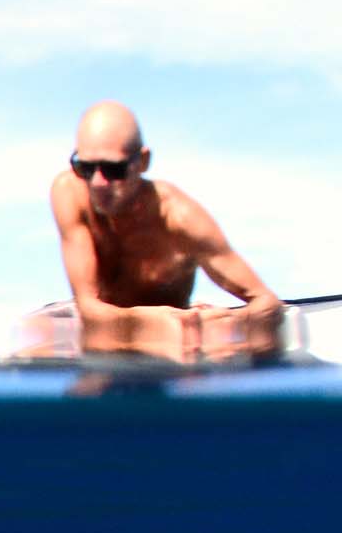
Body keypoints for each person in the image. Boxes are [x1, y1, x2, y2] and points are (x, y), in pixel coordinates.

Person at [49, 101, 280, 359]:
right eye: (85, 167)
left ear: (143, 161)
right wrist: (154, 320)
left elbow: (267, 303)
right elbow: (89, 310)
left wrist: (225, 323)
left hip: (170, 355)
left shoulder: (181, 219)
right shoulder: (69, 193)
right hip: (107, 341)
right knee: (33, 334)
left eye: (114, 169)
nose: (97, 183)